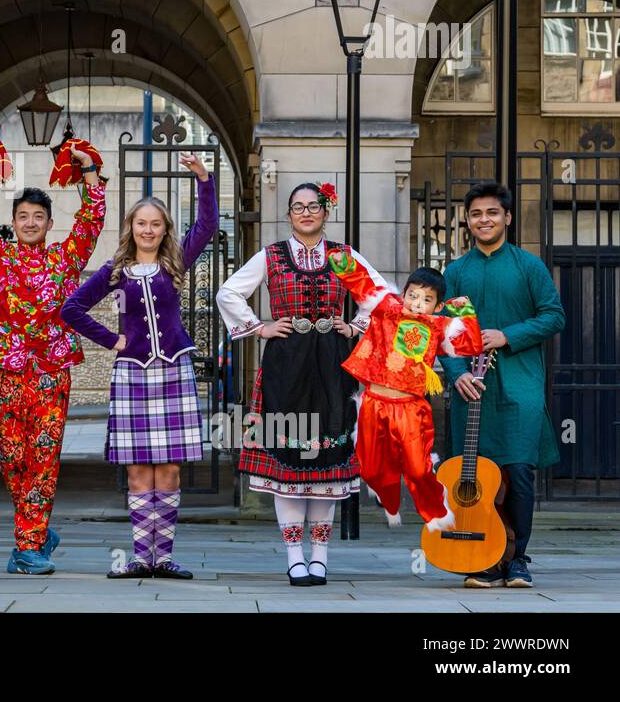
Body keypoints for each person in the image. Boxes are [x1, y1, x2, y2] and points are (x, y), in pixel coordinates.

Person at [215, 181, 387, 586]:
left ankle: (320, 556)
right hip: (285, 362)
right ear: (289, 214)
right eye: (297, 207)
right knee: (288, 453)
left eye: (313, 206)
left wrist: (355, 325)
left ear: (326, 211)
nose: (306, 212)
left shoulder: (343, 256)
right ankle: (294, 556)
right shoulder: (271, 256)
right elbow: (228, 293)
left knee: (325, 456)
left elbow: (379, 294)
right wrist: (260, 327)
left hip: (331, 362)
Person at [62, 152, 218, 580]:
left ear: (165, 229)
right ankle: (140, 557)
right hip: (132, 371)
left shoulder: (175, 263)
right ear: (131, 227)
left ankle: (163, 558)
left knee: (168, 467)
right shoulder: (116, 271)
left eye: (156, 224)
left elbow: (206, 227)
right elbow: (71, 309)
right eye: (141, 223)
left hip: (172, 369)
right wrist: (112, 339)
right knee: (137, 469)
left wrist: (204, 180)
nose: (148, 230)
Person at [0, 132, 106, 575]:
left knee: (43, 456)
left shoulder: (66, 258)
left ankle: (28, 545)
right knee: (8, 453)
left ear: (48, 223)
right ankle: (37, 527)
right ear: (14, 220)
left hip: (50, 371)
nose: (30, 222)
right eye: (23, 216)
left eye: (38, 216)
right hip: (6, 369)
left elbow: (91, 219)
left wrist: (87, 169)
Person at [436, 181, 565, 590]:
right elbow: (441, 331)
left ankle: (517, 558)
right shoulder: (455, 273)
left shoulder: (530, 267)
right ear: (468, 222)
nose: (484, 220)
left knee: (518, 473)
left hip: (520, 385)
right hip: (470, 392)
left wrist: (506, 335)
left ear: (507, 217)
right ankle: (485, 559)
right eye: (476, 214)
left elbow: (554, 316)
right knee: (473, 476)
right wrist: (457, 376)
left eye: (492, 212)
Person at [327, 251, 484, 532]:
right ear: (404, 294)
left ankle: (437, 511)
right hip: (375, 402)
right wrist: (345, 265)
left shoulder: (440, 326)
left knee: (417, 468)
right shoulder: (387, 309)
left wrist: (466, 314)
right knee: (371, 468)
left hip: (411, 408)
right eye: (413, 295)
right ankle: (387, 497)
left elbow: (469, 345)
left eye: (427, 300)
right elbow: (364, 285)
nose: (417, 303)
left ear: (437, 307)